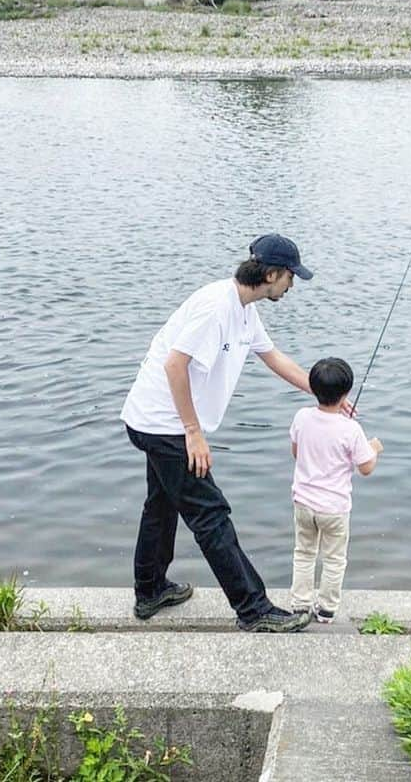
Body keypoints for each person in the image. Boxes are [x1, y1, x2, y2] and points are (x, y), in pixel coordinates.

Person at [121, 233, 327, 633]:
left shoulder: (245, 309)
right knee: (211, 516)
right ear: (270, 274)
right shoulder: (216, 308)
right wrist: (193, 432)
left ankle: (150, 591)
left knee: (161, 507)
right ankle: (253, 609)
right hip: (163, 425)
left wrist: (321, 393)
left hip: (156, 421)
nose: (292, 285)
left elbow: (273, 357)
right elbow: (174, 366)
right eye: (290, 277)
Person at [287, 357, 383, 623]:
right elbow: (366, 468)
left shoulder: (302, 417)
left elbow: (297, 452)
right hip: (334, 509)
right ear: (347, 394)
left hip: (303, 503)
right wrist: (373, 448)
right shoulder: (351, 429)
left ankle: (300, 605)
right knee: (334, 559)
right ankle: (327, 608)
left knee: (304, 553)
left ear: (313, 388)